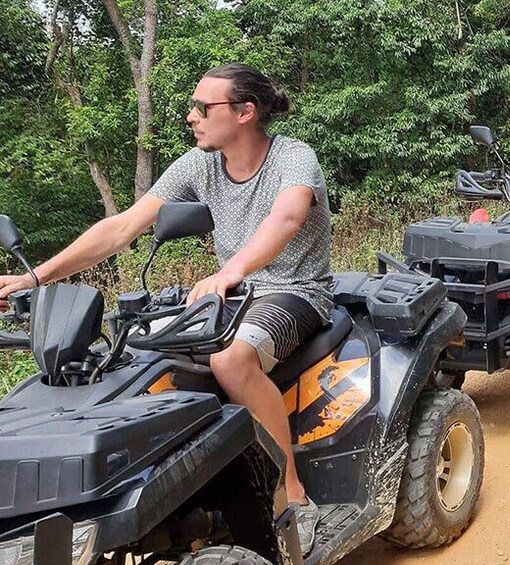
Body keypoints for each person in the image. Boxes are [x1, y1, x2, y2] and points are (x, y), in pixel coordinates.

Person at [0, 63, 328, 555]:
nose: (191, 116)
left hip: (293, 290)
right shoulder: (198, 164)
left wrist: (229, 271)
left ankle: (292, 493)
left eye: (203, 107)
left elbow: (286, 217)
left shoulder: (293, 158)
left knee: (230, 358)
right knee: (130, 352)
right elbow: (122, 227)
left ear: (245, 112)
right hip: (230, 294)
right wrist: (35, 276)